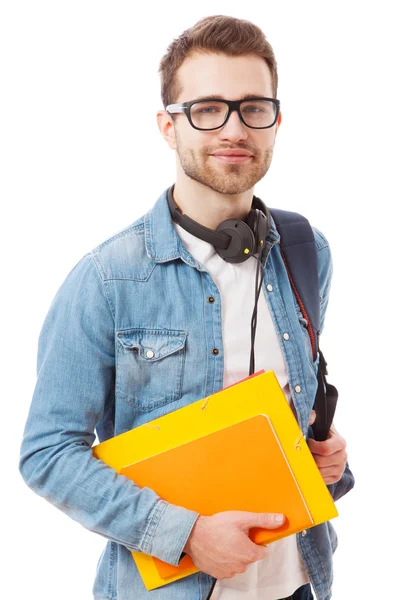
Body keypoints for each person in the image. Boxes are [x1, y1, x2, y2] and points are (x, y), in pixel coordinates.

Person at [19, 14, 355, 600]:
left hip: (300, 583)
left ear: (276, 121)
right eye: (207, 109)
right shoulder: (105, 280)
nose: (234, 128)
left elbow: (286, 406)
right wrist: (187, 534)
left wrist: (323, 457)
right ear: (168, 127)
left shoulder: (307, 251)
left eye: (253, 107)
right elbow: (47, 453)